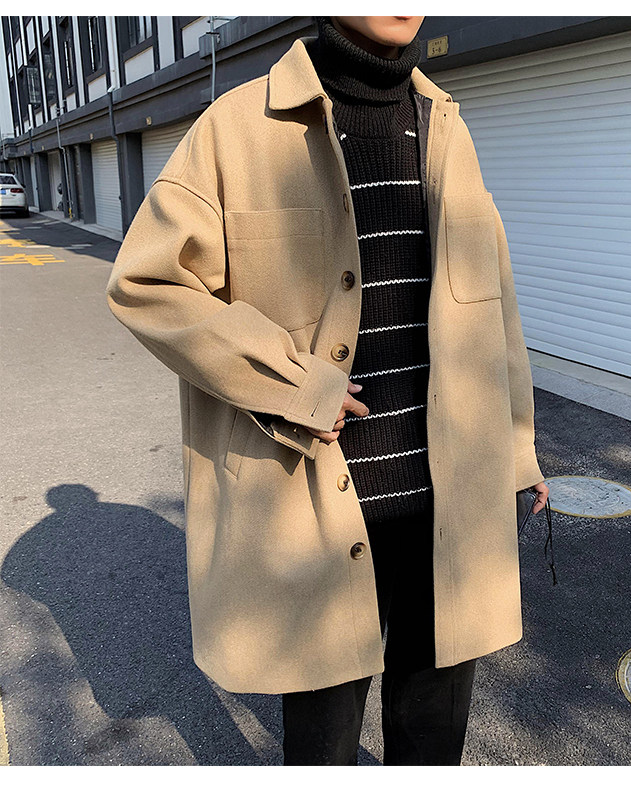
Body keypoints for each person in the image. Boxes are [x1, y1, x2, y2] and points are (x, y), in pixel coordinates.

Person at [106, 14, 548, 767]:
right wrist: (290, 379)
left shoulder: (445, 125)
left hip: (450, 502)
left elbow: (491, 304)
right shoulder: (236, 128)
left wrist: (517, 448)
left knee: (434, 737)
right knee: (323, 747)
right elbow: (148, 283)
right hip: (310, 507)